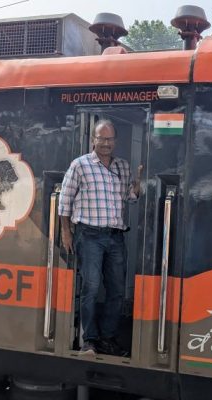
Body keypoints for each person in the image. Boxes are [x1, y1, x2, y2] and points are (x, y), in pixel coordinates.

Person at [58, 119, 142, 356]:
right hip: (90, 235)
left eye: (110, 139)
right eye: (101, 138)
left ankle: (108, 338)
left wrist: (137, 188)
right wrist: (66, 231)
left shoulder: (123, 167)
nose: (105, 143)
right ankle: (89, 340)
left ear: (116, 141)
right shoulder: (80, 165)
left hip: (116, 237)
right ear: (93, 139)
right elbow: (64, 201)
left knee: (116, 290)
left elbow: (129, 198)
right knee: (91, 288)